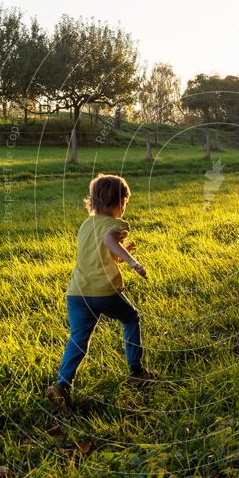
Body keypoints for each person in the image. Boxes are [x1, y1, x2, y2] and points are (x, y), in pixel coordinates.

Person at [47, 173, 156, 412]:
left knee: (79, 338)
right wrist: (132, 261)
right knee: (131, 318)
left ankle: (62, 384)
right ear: (119, 203)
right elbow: (108, 240)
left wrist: (118, 253)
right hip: (103, 291)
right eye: (124, 203)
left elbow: (102, 251)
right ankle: (137, 371)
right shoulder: (115, 225)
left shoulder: (86, 225)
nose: (124, 208)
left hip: (77, 292)